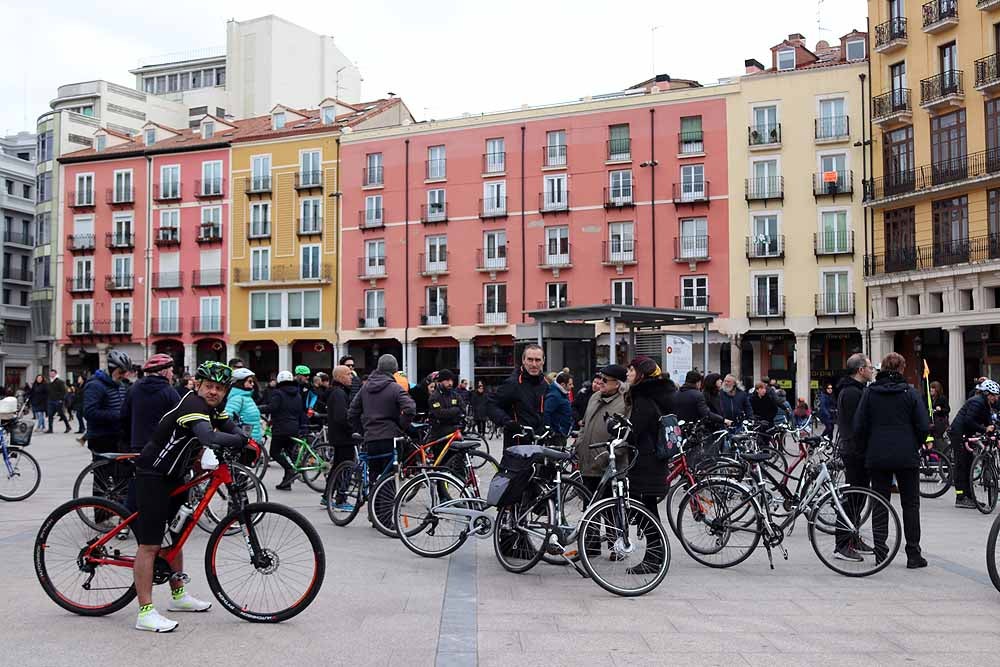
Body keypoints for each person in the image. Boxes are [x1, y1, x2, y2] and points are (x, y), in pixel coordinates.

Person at [132, 361, 248, 632]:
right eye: (209, 386)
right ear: (198, 385)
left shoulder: (214, 408)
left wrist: (245, 438)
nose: (213, 392)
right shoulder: (193, 406)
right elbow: (208, 436)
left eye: (219, 388)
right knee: (149, 545)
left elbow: (229, 427)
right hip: (152, 474)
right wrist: (241, 442)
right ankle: (145, 612)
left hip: (174, 476)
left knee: (176, 536)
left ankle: (178, 595)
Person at [853, 352, 930, 569]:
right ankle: (913, 554)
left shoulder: (870, 393)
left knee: (879, 502)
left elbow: (859, 425)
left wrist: (866, 447)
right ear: (902, 369)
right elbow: (923, 426)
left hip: (877, 455)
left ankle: (881, 553)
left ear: (882, 369)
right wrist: (914, 443)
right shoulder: (911, 393)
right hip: (906, 455)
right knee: (911, 505)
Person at [623, 356, 673, 575]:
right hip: (655, 460)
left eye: (631, 370)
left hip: (646, 462)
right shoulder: (661, 393)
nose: (628, 374)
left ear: (641, 374)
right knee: (649, 510)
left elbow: (635, 432)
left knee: (647, 512)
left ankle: (654, 558)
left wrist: (618, 428)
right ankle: (656, 555)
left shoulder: (643, 398)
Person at [348, 354, 416, 484]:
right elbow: (410, 408)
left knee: (374, 475)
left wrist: (362, 430)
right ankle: (386, 503)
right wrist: (401, 426)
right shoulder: (395, 388)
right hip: (390, 437)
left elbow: (352, 413)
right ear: (395, 370)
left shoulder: (365, 388)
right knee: (389, 477)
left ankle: (374, 502)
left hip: (371, 438)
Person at [833, 353, 875, 562]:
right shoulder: (851, 393)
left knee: (858, 498)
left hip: (858, 450)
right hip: (855, 451)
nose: (872, 370)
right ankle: (842, 544)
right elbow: (857, 425)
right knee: (852, 498)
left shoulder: (856, 390)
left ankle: (853, 536)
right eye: (869, 367)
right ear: (860, 370)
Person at [575, 365, 626, 497]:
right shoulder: (594, 397)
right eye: (600, 378)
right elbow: (584, 424)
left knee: (610, 513)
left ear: (617, 384)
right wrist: (579, 445)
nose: (600, 382)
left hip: (609, 468)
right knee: (589, 511)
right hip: (587, 466)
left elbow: (626, 434)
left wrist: (608, 455)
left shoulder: (625, 402)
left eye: (605, 380)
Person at [948, 378, 999, 509]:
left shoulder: (986, 404)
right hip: (958, 434)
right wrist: (984, 429)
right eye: (995, 396)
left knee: (969, 464)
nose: (996, 398)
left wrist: (994, 433)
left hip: (966, 434)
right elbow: (968, 421)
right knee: (962, 465)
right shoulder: (977, 402)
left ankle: (970, 497)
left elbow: (989, 422)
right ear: (987, 394)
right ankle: (960, 498)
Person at [487, 344, 548, 448]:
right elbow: (490, 404)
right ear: (523, 360)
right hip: (517, 445)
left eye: (537, 360)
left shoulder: (545, 384)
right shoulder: (513, 383)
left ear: (543, 361)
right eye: (530, 360)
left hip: (540, 444)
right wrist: (507, 422)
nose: (534, 364)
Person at [122, 354, 181, 454]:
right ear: (163, 371)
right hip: (161, 447)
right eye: (171, 371)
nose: (172, 374)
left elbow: (124, 416)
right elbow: (180, 417)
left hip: (137, 445)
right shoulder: (169, 392)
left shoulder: (133, 389)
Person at [320, 365, 356, 509]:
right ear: (340, 377)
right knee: (345, 468)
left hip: (338, 436)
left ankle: (326, 496)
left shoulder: (336, 392)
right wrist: (353, 429)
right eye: (348, 374)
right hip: (344, 437)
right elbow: (341, 417)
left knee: (337, 468)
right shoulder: (339, 394)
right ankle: (341, 499)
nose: (351, 377)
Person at [83, 350, 132, 456]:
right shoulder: (95, 385)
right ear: (111, 369)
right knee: (105, 470)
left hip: (118, 436)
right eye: (121, 372)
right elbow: (89, 412)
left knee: (124, 470)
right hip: (101, 437)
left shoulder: (121, 385)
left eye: (125, 372)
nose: (123, 375)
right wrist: (117, 415)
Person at [268, 370, 309, 490]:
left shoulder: (278, 393)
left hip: (280, 428)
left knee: (274, 452)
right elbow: (300, 411)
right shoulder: (297, 394)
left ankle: (290, 470)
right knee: (289, 453)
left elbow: (273, 407)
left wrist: (258, 408)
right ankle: (286, 482)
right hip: (293, 427)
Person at [225, 368, 263, 442]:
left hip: (254, 441)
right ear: (241, 382)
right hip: (245, 442)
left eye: (253, 381)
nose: (253, 384)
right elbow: (228, 417)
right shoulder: (237, 398)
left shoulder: (247, 397)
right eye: (250, 381)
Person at [427, 369, 464, 441]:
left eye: (451, 380)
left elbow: (463, 408)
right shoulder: (434, 397)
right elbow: (439, 413)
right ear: (440, 382)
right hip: (439, 432)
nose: (450, 383)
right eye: (447, 380)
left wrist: (450, 412)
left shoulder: (455, 395)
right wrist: (456, 410)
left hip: (454, 429)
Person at [543, 371, 574, 442]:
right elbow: (546, 413)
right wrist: (551, 431)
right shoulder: (555, 396)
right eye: (570, 384)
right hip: (557, 436)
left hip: (561, 433)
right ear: (563, 384)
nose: (572, 386)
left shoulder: (561, 393)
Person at [46, 368, 72, 433]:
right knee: (50, 415)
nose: (51, 374)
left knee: (61, 414)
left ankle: (68, 426)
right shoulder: (49, 382)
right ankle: (50, 429)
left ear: (55, 374)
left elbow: (65, 391)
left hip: (58, 401)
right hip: (50, 401)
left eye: (53, 373)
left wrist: (61, 399)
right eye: (50, 373)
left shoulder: (60, 381)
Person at [929, 381, 950, 450]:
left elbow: (947, 409)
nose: (931, 389)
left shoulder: (942, 398)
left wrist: (940, 409)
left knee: (939, 440)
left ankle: (944, 455)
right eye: (931, 387)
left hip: (940, 423)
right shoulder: (930, 399)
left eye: (933, 388)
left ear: (937, 389)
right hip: (934, 423)